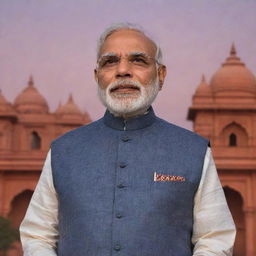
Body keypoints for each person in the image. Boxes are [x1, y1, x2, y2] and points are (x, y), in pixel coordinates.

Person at [20, 23, 236, 256]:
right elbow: (38, 234)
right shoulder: (64, 150)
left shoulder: (193, 151)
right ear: (97, 76)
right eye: (110, 61)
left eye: (138, 60)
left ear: (160, 75)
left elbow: (213, 238)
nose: (122, 70)